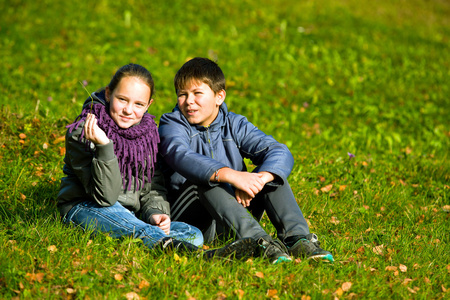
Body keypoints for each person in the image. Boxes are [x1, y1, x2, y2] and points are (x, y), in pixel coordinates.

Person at [56, 63, 257, 259]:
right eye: (122, 99)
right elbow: (105, 198)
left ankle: (158, 239)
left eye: (138, 104)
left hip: (132, 215)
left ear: (149, 105)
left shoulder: (148, 136)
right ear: (109, 94)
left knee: (192, 234)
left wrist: (155, 213)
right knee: (127, 220)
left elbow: (152, 186)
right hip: (87, 207)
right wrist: (104, 146)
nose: (128, 110)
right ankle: (199, 256)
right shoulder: (85, 131)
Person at [158, 57, 334, 264]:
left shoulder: (234, 124)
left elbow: (279, 151)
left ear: (219, 96)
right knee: (207, 180)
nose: (189, 101)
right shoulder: (171, 124)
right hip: (194, 218)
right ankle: (259, 243)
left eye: (197, 93)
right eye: (182, 94)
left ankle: (296, 239)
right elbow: (179, 154)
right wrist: (231, 176)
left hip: (234, 215)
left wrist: (259, 179)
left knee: (272, 175)